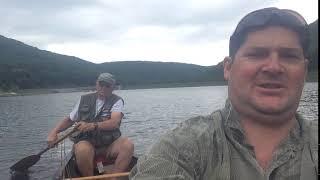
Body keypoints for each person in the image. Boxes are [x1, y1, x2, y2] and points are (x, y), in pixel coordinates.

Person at [129, 7, 318, 180]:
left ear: (304, 70)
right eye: (257, 54)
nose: (274, 67)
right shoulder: (182, 145)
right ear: (228, 68)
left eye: (289, 56)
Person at [47, 73, 134, 178]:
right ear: (96, 84)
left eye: (107, 85)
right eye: (101, 84)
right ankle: (90, 177)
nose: (103, 87)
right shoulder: (84, 99)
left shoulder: (117, 101)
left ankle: (114, 177)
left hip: (109, 145)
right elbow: (70, 120)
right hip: (86, 142)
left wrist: (93, 125)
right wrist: (54, 132)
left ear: (113, 87)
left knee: (128, 144)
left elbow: (114, 122)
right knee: (82, 149)